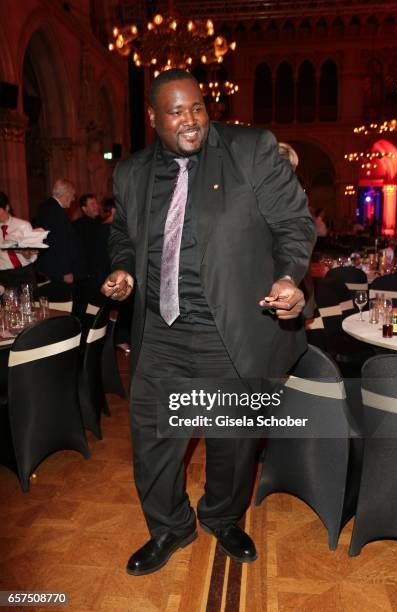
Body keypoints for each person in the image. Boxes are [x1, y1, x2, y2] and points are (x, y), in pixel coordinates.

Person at [101, 69, 316, 576]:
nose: (191, 120)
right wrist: (122, 268)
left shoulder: (251, 149)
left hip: (231, 330)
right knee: (153, 443)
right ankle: (170, 527)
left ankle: (221, 517)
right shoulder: (131, 174)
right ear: (153, 117)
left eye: (197, 107)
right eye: (176, 112)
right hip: (161, 334)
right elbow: (123, 237)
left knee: (233, 443)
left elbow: (293, 222)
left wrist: (288, 277)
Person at [35, 178, 86, 301]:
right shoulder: (53, 210)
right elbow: (58, 244)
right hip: (59, 272)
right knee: (61, 306)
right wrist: (64, 272)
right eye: (73, 195)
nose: (73, 199)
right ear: (66, 193)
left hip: (57, 269)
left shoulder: (50, 207)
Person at [0, 191, 38, 288]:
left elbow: (33, 255)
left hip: (25, 272)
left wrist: (27, 254)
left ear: (7, 207)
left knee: (29, 302)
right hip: (4, 275)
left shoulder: (23, 225)